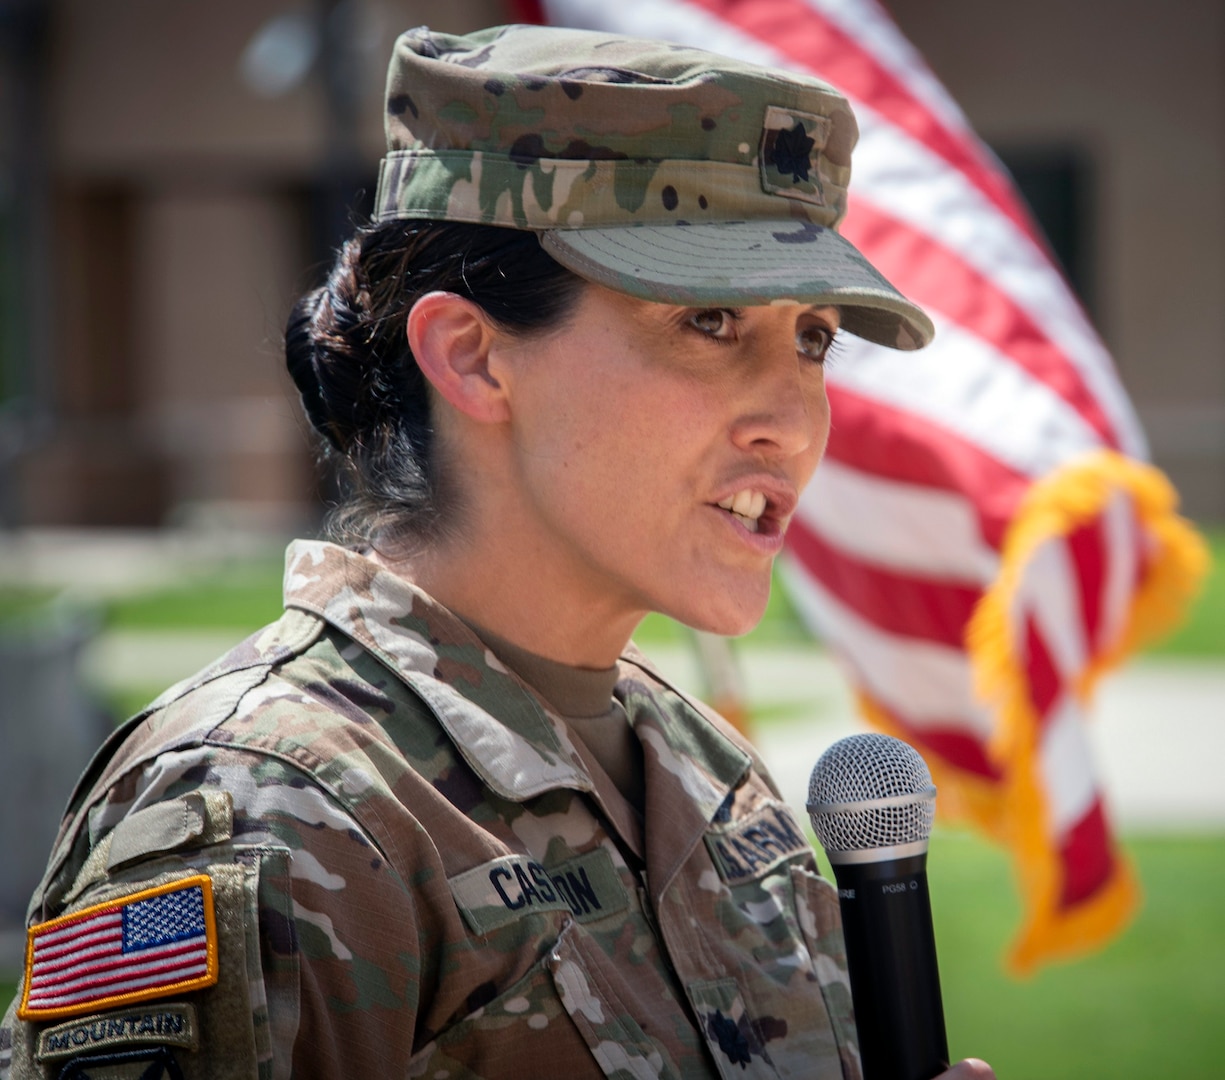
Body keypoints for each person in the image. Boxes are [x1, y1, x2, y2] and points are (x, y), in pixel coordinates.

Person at [0, 24, 995, 1080]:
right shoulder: (271, 812)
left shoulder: (709, 783)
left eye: (813, 339)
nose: (793, 421)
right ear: (471, 358)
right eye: (708, 321)